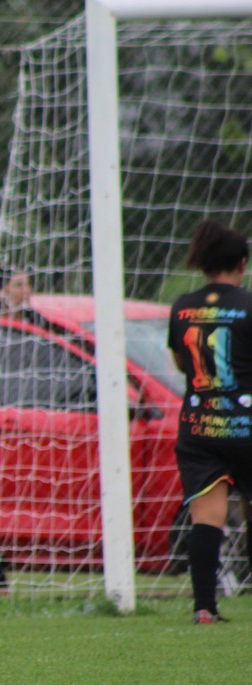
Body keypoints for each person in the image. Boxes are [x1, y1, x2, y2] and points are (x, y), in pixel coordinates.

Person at [167, 218, 252, 624]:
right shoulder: (249, 305)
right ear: (242, 263)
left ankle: (204, 608)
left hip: (199, 427)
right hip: (246, 425)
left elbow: (180, 362)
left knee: (207, 519)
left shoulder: (182, 306)